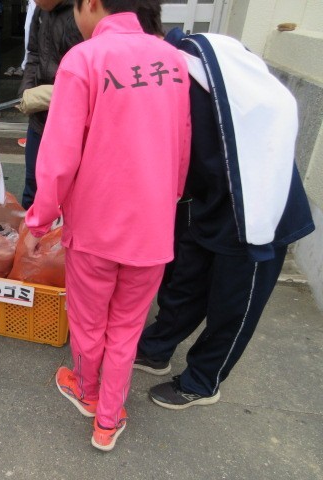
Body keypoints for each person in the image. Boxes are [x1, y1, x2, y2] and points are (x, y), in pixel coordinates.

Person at [23, 0, 191, 451]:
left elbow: (59, 156)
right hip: (152, 228)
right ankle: (108, 419)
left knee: (88, 320)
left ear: (92, 3)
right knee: (127, 327)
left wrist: (39, 219)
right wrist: (169, 198)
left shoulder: (84, 59)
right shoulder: (173, 60)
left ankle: (86, 389)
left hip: (95, 228)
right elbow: (182, 144)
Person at [133, 12, 315, 409]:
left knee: (233, 304)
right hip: (206, 196)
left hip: (256, 203)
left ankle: (202, 381)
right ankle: (156, 349)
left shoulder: (204, 59)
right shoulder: (159, 71)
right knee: (186, 281)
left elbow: (274, 109)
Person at [16, 0, 83, 209]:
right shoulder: (40, 11)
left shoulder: (82, 13)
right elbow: (33, 54)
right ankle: (29, 223)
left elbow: (87, 72)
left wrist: (53, 94)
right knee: (33, 182)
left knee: (66, 189)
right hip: (39, 117)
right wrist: (27, 91)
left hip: (69, 119)